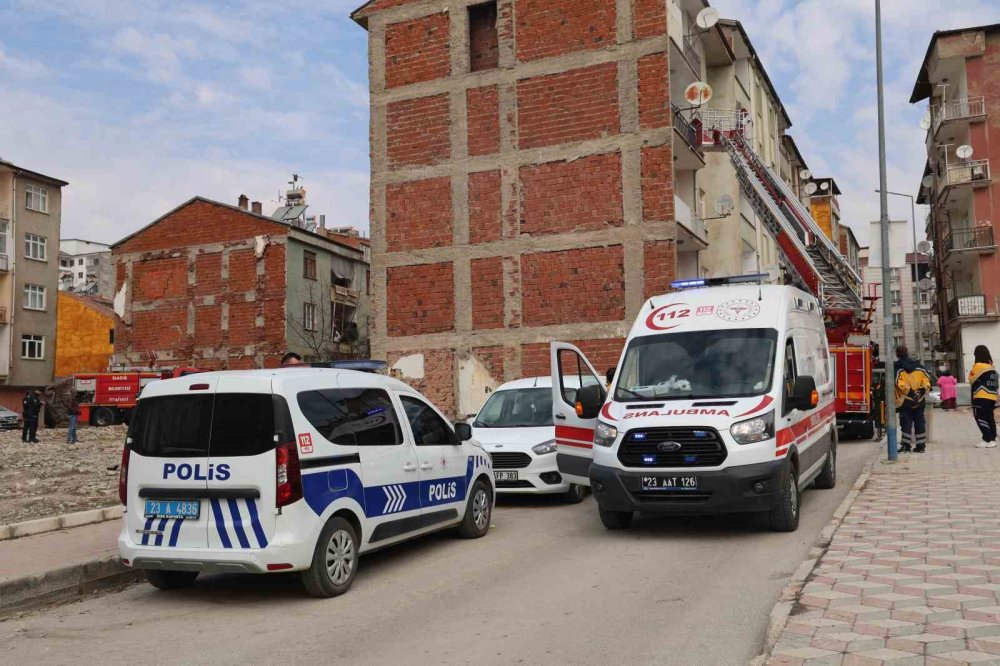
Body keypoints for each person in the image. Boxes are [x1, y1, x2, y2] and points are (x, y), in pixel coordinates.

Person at [894, 346, 932, 453]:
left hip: (905, 400)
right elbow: (927, 381)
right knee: (919, 421)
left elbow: (898, 383)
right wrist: (920, 391)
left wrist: (910, 392)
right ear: (907, 353)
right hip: (919, 400)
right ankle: (921, 446)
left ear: (897, 354)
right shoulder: (920, 367)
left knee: (906, 423)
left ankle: (906, 445)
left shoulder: (897, 368)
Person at [969, 345, 998, 449]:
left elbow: (971, 379)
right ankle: (992, 440)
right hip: (992, 396)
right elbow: (996, 384)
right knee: (990, 417)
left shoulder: (978, 366)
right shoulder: (991, 367)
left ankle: (987, 438)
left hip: (981, 396)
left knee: (980, 417)